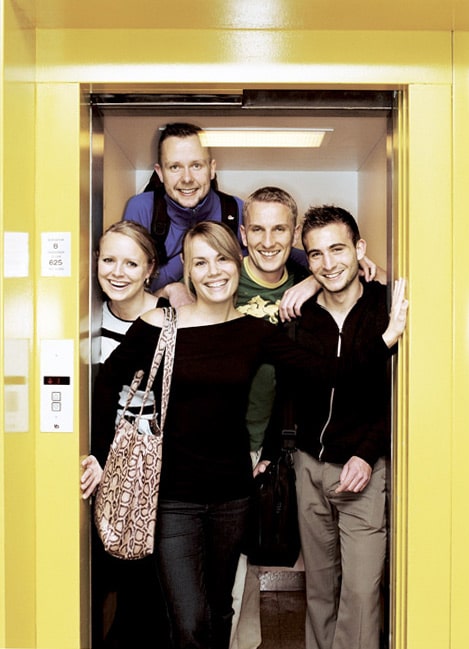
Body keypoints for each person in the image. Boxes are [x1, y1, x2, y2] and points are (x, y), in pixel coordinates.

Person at [81, 221, 406, 649]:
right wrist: (98, 455)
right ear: (187, 272)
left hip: (233, 495)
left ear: (237, 264)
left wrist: (387, 337)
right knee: (190, 619)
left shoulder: (255, 333)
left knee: (219, 608)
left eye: (221, 259)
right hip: (172, 497)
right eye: (200, 262)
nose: (213, 271)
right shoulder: (160, 321)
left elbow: (328, 372)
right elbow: (107, 386)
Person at [261, 205, 408, 649]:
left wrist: (367, 451)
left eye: (338, 250)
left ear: (359, 249)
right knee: (320, 589)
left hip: (364, 467)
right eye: (316, 255)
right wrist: (269, 454)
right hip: (309, 466)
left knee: (361, 592)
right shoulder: (300, 318)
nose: (329, 264)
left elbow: (394, 394)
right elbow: (288, 390)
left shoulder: (387, 307)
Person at [81, 220, 169, 649]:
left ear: (150, 268)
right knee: (93, 586)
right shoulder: (86, 322)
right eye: (108, 259)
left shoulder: (171, 323)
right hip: (100, 473)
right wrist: (97, 456)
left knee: (145, 598)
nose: (117, 272)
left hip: (151, 477)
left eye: (131, 262)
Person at [123, 121, 244, 298]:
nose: (187, 178)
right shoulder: (142, 209)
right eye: (175, 167)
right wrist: (170, 289)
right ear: (160, 173)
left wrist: (302, 284)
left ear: (211, 169)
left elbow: (268, 257)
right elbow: (128, 282)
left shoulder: (233, 209)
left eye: (196, 165)